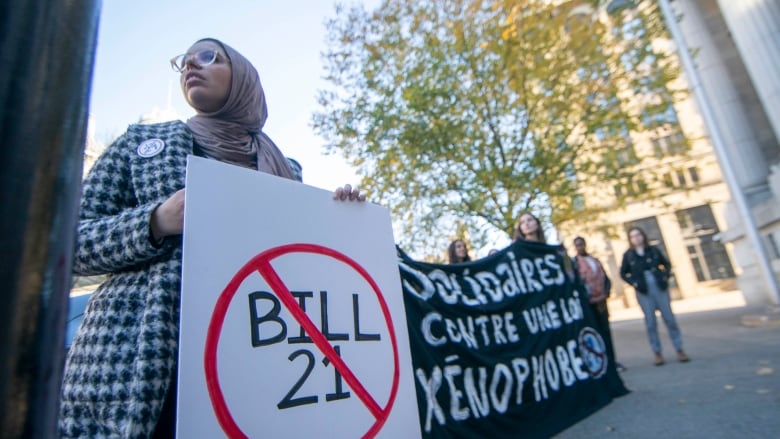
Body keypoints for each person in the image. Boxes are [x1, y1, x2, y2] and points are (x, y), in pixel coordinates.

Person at [59, 38, 364, 438]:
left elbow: (304, 265)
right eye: (183, 62)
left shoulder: (286, 170)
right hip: (140, 368)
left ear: (242, 78)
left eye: (208, 56)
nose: (190, 66)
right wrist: (155, 222)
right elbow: (70, 244)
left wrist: (344, 219)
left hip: (253, 358)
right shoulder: (139, 146)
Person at [620, 227, 689, 366]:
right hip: (643, 289)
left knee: (669, 319)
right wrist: (634, 283)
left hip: (658, 285)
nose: (636, 238)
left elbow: (666, 264)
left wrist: (664, 277)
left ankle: (679, 349)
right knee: (651, 322)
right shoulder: (629, 255)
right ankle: (657, 353)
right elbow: (623, 273)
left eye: (638, 235)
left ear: (643, 236)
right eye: (633, 236)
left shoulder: (653, 250)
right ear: (630, 239)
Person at [572, 237, 626, 372]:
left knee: (605, 332)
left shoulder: (594, 261)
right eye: (577, 245)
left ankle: (612, 361)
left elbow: (605, 278)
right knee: (594, 334)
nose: (580, 247)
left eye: (581, 244)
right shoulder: (575, 264)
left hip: (601, 300)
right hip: (589, 304)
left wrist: (606, 292)